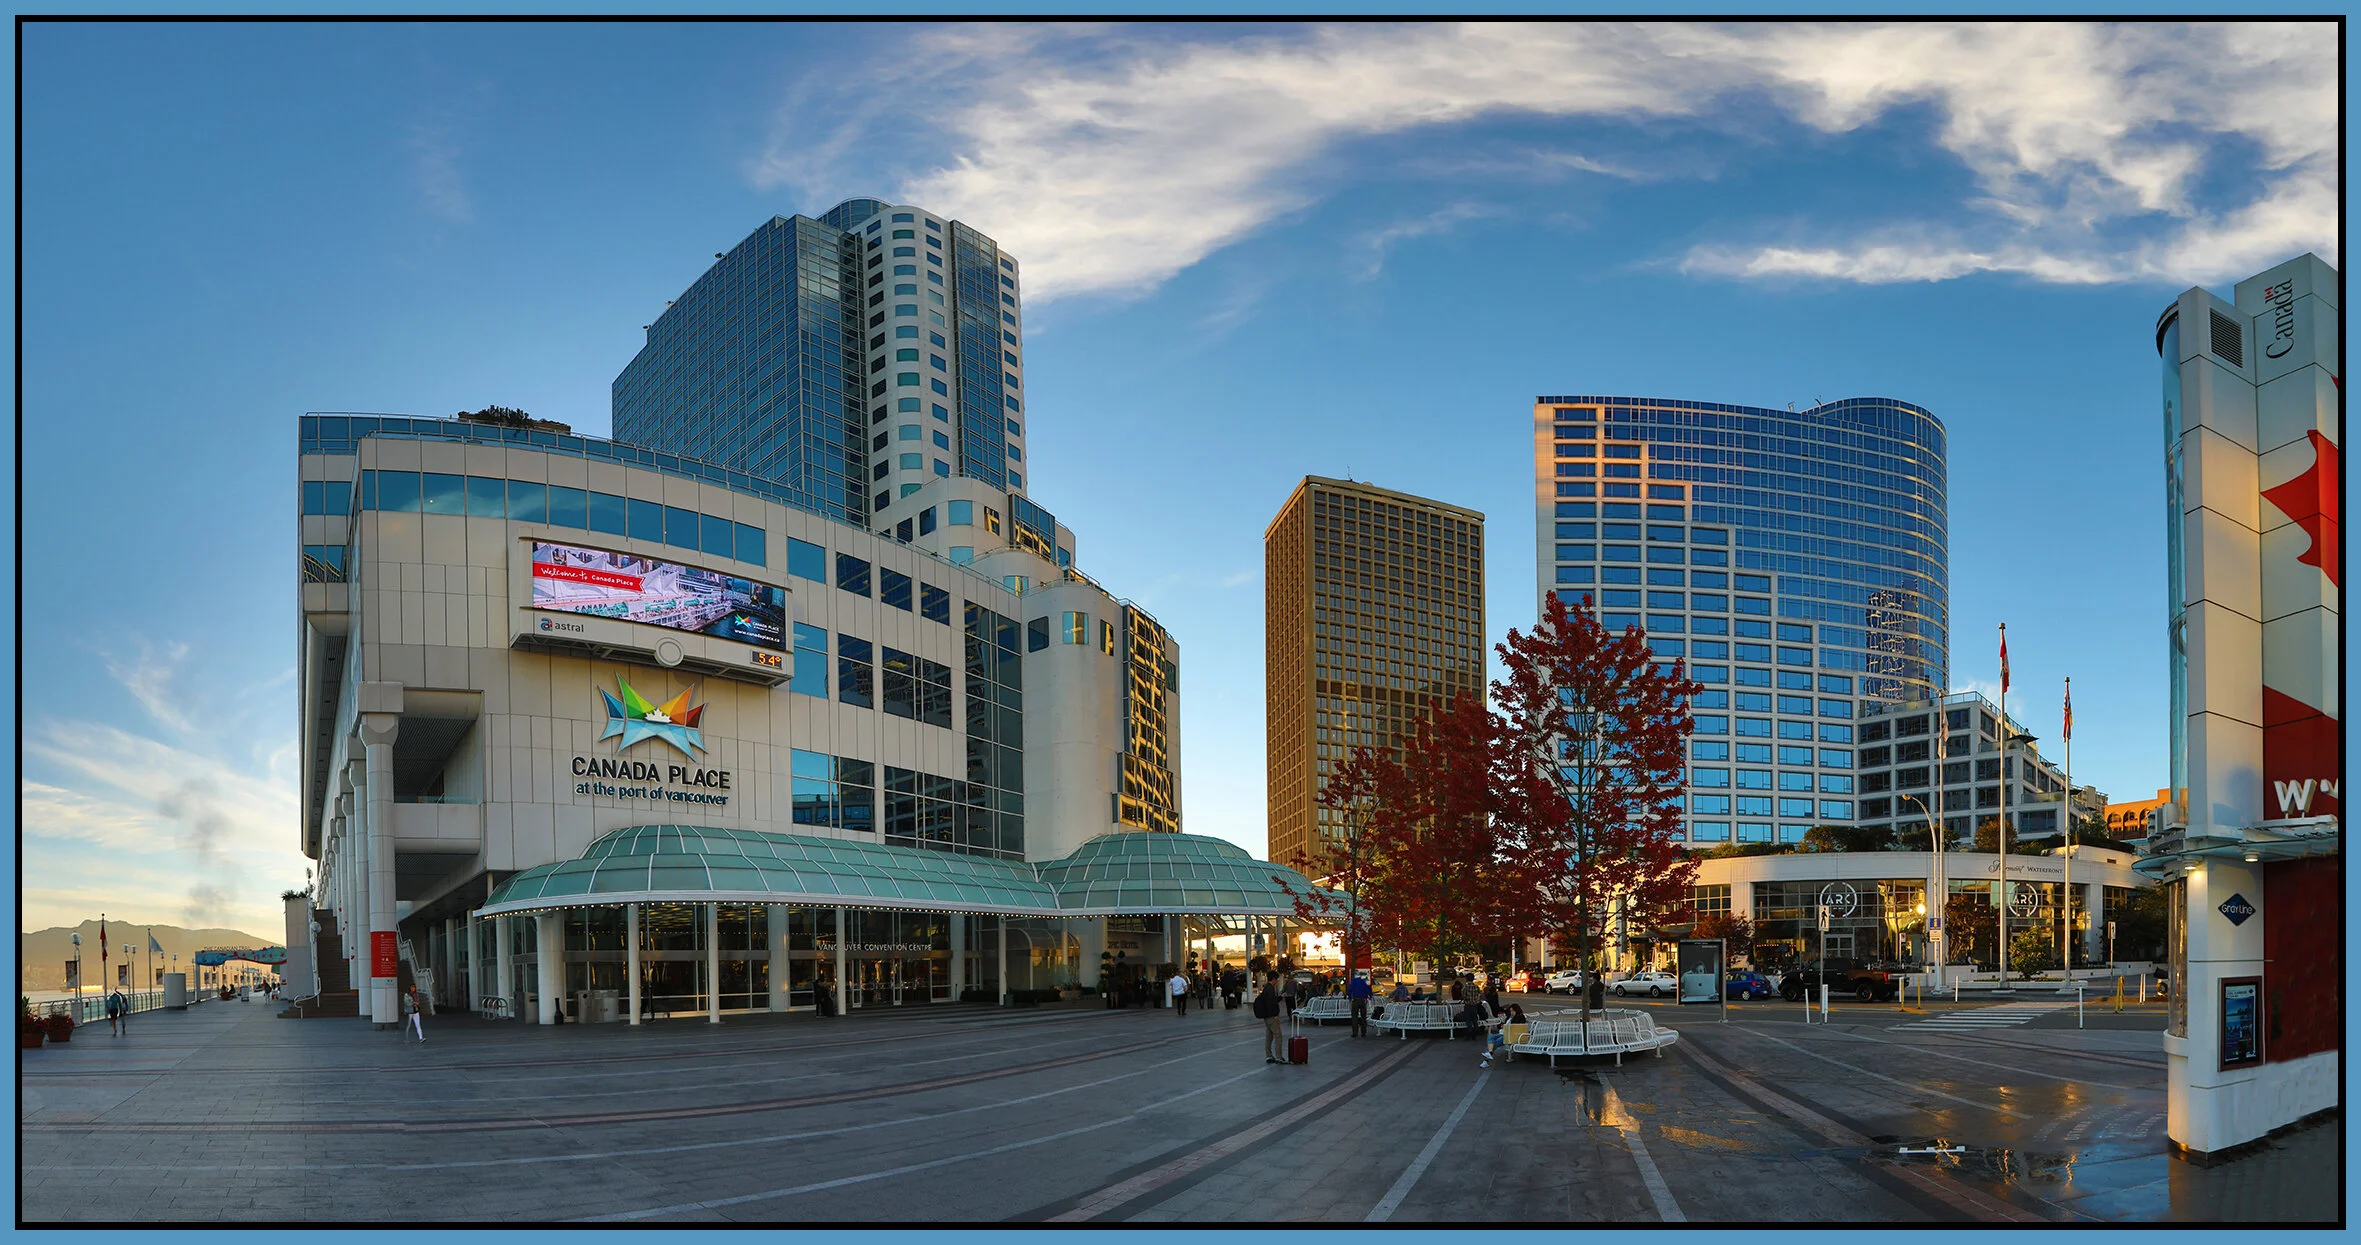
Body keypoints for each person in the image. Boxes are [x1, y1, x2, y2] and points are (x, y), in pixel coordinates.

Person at [1254, 973, 1285, 1064]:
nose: (1277, 981)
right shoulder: (1271, 988)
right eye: (1277, 979)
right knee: (1278, 1035)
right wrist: (1274, 1013)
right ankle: (1279, 1056)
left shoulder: (1266, 988)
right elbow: (1272, 1002)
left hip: (1266, 1016)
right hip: (1272, 1016)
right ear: (1274, 979)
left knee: (1269, 1036)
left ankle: (1269, 1055)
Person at [1346, 969, 1373, 1039]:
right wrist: (1369, 996)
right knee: (1363, 1017)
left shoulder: (1355, 981)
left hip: (1356, 1000)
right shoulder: (1366, 982)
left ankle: (1355, 1032)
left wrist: (1349, 997)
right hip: (1363, 1001)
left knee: (1354, 1016)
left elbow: (1349, 989)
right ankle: (1363, 1032)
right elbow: (1369, 991)